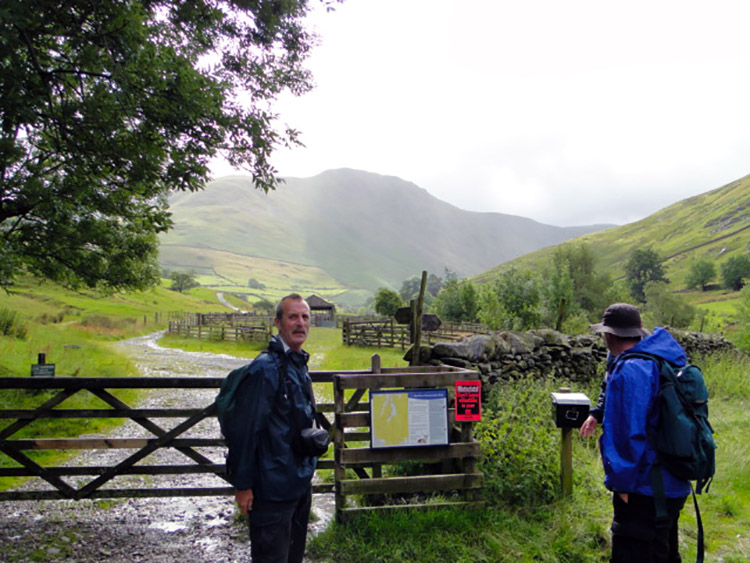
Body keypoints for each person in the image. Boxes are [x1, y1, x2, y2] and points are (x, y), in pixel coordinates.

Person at [590, 303, 691, 563]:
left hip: (644, 486)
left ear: (609, 335)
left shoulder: (631, 369)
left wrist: (621, 483)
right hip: (671, 479)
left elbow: (628, 433)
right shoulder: (659, 359)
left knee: (633, 552)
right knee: (664, 551)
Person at [226, 294, 317, 563]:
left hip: (298, 485)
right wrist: (243, 485)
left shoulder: (298, 363)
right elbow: (245, 431)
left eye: (304, 317)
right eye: (292, 317)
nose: (300, 323)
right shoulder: (265, 369)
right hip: (271, 492)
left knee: (293, 557)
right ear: (277, 322)